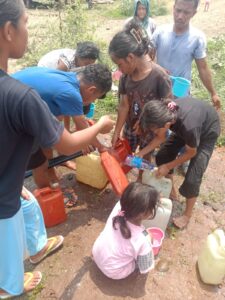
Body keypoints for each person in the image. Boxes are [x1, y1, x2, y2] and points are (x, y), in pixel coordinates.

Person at [0, 0, 114, 297]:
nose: (28, 29)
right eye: (26, 22)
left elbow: (69, 125)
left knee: (28, 201)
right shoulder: (22, 97)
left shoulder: (60, 78)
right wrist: (100, 127)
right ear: (9, 30)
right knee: (8, 226)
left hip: (11, 159)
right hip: (4, 185)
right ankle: (8, 284)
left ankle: (36, 247)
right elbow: (68, 141)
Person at [12, 64, 112, 188]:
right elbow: (79, 131)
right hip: (12, 115)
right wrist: (101, 146)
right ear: (91, 90)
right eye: (95, 98)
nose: (93, 102)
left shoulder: (70, 77)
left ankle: (50, 175)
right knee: (39, 164)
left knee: (48, 141)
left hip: (10, 95)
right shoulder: (72, 94)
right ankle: (48, 194)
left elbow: (58, 122)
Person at [138, 98, 220, 229]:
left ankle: (187, 215)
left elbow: (191, 153)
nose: (153, 132)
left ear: (165, 125)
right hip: (189, 126)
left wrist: (169, 166)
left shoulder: (189, 127)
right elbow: (161, 137)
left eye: (154, 130)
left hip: (207, 132)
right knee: (162, 156)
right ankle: (170, 187)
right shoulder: (166, 112)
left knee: (193, 178)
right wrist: (141, 153)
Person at [109, 21, 172, 157]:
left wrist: (148, 124)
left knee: (145, 158)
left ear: (130, 58)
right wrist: (116, 132)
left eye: (119, 64)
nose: (119, 69)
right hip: (130, 127)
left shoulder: (160, 77)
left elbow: (169, 108)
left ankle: (141, 177)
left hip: (150, 130)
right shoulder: (125, 77)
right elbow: (124, 105)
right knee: (125, 154)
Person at [152, 0, 221, 110]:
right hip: (158, 87)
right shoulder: (160, 32)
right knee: (159, 121)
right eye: (178, 10)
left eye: (186, 12)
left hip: (180, 90)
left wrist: (213, 93)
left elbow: (202, 68)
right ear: (173, 8)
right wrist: (158, 69)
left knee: (179, 119)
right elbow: (148, 58)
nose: (180, 16)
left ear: (194, 13)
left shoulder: (197, 38)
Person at [92, 182, 159, 279]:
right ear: (143, 213)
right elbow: (145, 267)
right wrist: (148, 237)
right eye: (153, 207)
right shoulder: (143, 240)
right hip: (113, 271)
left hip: (97, 254)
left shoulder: (119, 207)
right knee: (149, 237)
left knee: (146, 235)